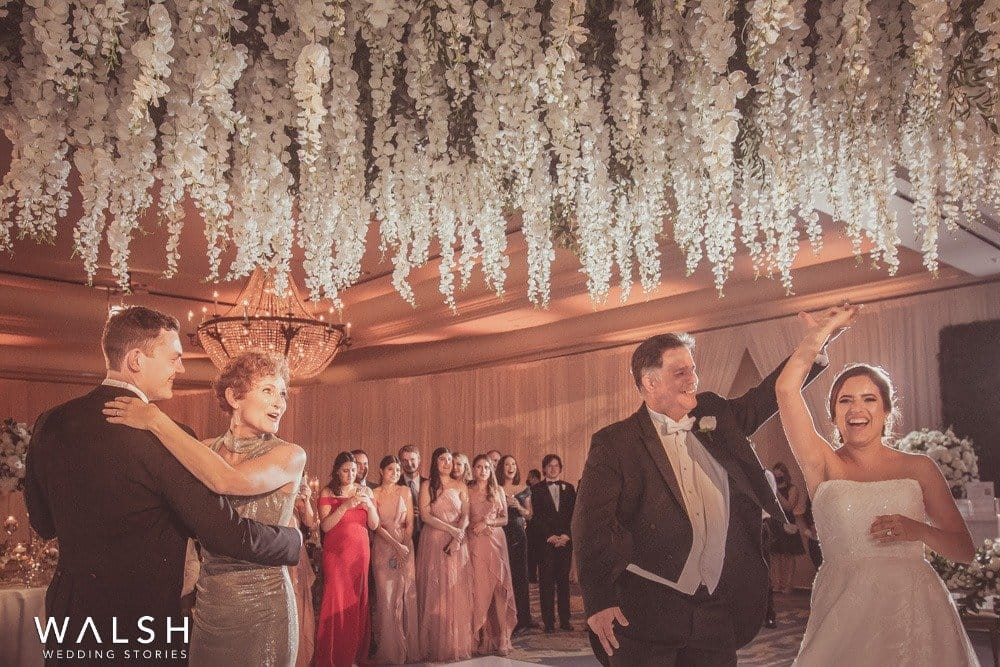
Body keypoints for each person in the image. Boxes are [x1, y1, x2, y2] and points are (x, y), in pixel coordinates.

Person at [24, 307, 301, 664]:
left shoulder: (50, 422)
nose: (181, 368)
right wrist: (292, 540)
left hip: (70, 614)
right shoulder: (167, 437)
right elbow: (224, 533)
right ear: (137, 360)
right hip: (144, 622)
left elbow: (42, 523)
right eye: (174, 358)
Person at [573, 330, 830, 666]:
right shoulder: (615, 443)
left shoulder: (715, 414)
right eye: (680, 372)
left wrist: (813, 346)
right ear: (649, 383)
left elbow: (765, 395)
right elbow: (590, 526)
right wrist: (599, 600)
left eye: (693, 369)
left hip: (715, 607)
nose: (693, 379)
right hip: (643, 609)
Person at [775, 304, 978, 666]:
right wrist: (818, 336)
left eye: (869, 399)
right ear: (834, 414)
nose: (857, 408)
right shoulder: (823, 462)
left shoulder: (919, 467)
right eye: (845, 400)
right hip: (843, 608)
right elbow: (787, 390)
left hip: (916, 609)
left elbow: (964, 549)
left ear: (886, 411)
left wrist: (916, 529)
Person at [105, 350, 308, 666]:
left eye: (282, 393)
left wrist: (156, 419)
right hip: (209, 606)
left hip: (265, 609)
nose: (280, 402)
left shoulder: (291, 455)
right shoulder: (202, 450)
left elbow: (228, 480)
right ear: (234, 397)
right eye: (268, 390)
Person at [316, 452, 380, 667]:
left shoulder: (366, 491)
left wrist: (369, 506)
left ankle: (352, 656)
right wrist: (345, 506)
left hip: (360, 553)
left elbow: (374, 525)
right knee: (335, 599)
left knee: (356, 601)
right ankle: (331, 657)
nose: (351, 474)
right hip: (336, 554)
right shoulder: (328, 491)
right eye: (346, 470)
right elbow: (325, 526)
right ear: (336, 471)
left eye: (354, 470)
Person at [416, 447, 474, 662]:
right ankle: (432, 642)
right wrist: (451, 530)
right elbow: (425, 515)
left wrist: (458, 536)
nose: (447, 464)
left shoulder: (461, 485)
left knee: (454, 590)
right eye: (442, 459)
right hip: (433, 540)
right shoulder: (427, 485)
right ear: (435, 462)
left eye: (450, 460)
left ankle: (453, 642)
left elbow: (466, 515)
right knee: (434, 588)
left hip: (457, 541)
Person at [371, 455, 420, 665]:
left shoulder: (405, 491)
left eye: (398, 470)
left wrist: (405, 546)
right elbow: (375, 525)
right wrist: (395, 545)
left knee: (405, 594)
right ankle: (389, 650)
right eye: (391, 469)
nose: (395, 473)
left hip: (404, 548)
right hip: (383, 547)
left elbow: (410, 522)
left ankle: (407, 649)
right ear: (381, 471)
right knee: (386, 598)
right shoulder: (373, 493)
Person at [468, 454, 518, 655]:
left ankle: (503, 638)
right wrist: (477, 526)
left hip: (497, 542)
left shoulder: (497, 490)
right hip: (476, 542)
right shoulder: (468, 490)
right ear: (473, 469)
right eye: (479, 467)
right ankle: (481, 636)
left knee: (500, 589)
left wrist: (489, 522)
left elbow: (505, 519)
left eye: (486, 467)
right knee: (480, 590)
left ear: (491, 470)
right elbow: (463, 518)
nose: (483, 471)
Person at [531, 453, 575, 633]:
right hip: (545, 542)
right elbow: (536, 517)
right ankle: (549, 622)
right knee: (546, 583)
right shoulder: (536, 489)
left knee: (564, 582)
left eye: (556, 465)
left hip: (565, 541)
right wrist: (548, 535)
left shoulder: (569, 488)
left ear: (560, 468)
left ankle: (565, 620)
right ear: (544, 469)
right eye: (549, 466)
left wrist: (566, 535)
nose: (553, 468)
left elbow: (574, 514)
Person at [497, 454, 536, 632]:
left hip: (519, 535)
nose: (510, 467)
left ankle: (523, 619)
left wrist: (517, 506)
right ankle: (503, 617)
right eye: (506, 464)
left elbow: (529, 514)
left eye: (513, 464)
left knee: (520, 576)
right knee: (503, 575)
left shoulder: (524, 488)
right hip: (500, 534)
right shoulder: (495, 488)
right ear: (501, 468)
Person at [292, 477, 319, 667]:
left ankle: (299, 656)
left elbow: (311, 523)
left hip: (294, 549)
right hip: (272, 550)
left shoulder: (296, 491)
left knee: (298, 601)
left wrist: (307, 499)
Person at [769, 461, 806, 593]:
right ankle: (776, 583)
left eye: (779, 476)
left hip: (787, 523)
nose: (778, 478)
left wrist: (777, 492)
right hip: (774, 523)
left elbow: (789, 506)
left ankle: (788, 584)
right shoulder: (771, 489)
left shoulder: (792, 489)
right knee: (775, 555)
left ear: (785, 475)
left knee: (788, 555)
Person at [397, 444, 427, 548]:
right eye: (404, 460)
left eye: (412, 459)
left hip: (427, 539)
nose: (409, 463)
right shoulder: (395, 485)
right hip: (402, 539)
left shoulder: (429, 484)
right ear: (400, 462)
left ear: (419, 459)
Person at [524, 467, 543, 584]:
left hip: (532, 524)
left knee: (531, 552)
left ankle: (532, 576)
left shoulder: (529, 490)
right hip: (541, 525)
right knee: (540, 552)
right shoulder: (544, 489)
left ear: (532, 477)